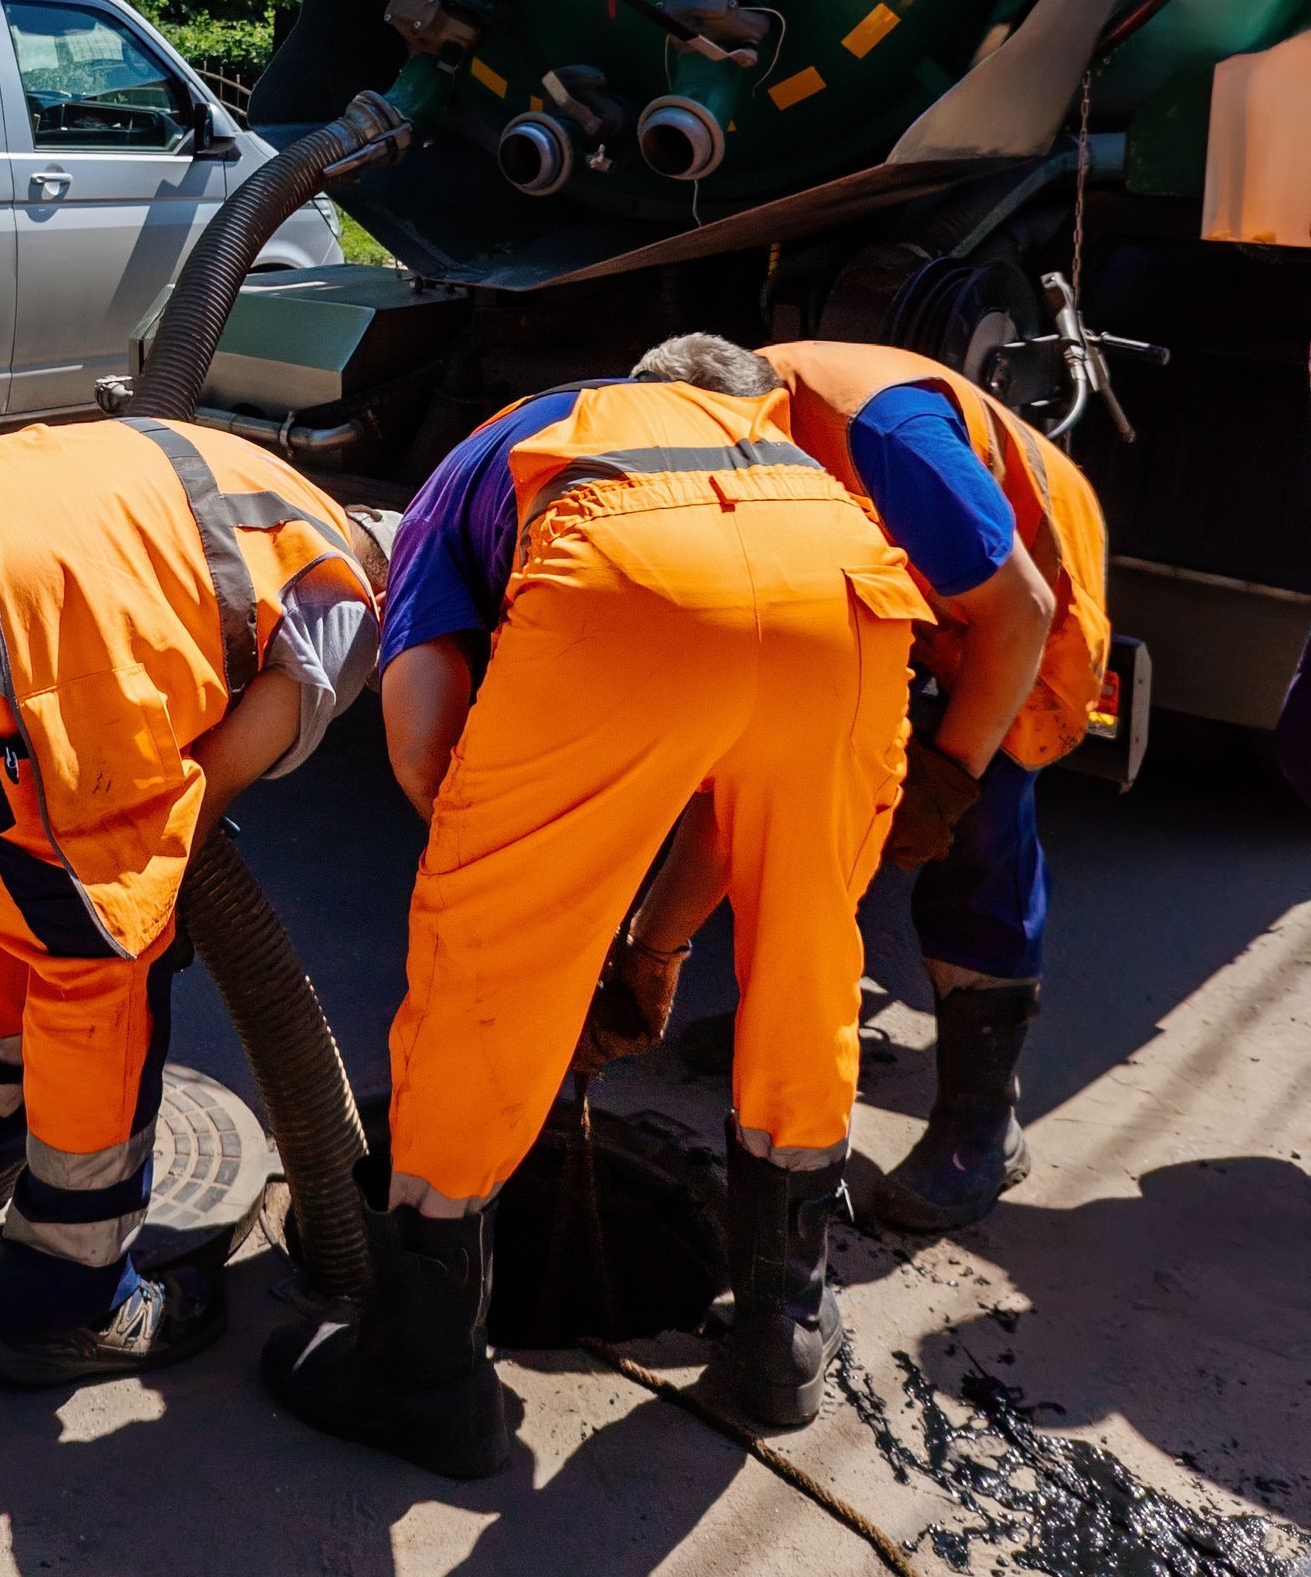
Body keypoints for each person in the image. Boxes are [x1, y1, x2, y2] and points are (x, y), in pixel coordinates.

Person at [262, 338, 929, 1468]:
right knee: (814, 952)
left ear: (635, 381)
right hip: (848, 589)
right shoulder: (782, 457)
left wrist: (530, 906)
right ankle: (784, 1329)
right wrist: (654, 943)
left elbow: (425, 740)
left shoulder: (509, 444)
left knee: (483, 956)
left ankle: (421, 1368)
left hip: (624, 569)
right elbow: (738, 807)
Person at [0, 414, 388, 1390]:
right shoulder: (346, 600)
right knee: (102, 950)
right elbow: (220, 770)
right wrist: (139, 875)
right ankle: (67, 1302)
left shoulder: (263, 489)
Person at [653, 333, 1108, 1235]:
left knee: (979, 827)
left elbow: (1020, 609)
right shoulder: (720, 427)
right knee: (808, 780)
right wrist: (653, 946)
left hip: (1021, 588)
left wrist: (949, 773)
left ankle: (982, 1126)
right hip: (899, 571)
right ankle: (797, 1028)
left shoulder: (883, 440)